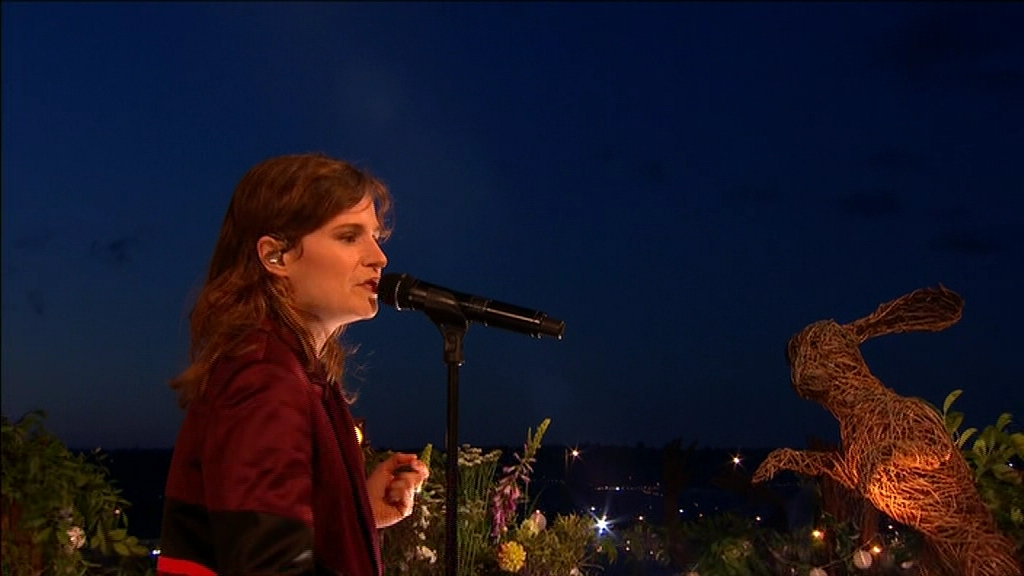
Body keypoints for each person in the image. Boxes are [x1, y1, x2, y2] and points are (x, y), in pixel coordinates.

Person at [157, 153, 429, 576]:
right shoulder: (264, 380)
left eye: (375, 236)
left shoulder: (292, 371)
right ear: (276, 256)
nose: (379, 257)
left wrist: (356, 509)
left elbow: (265, 534)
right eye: (348, 236)